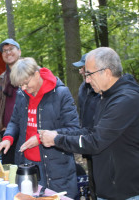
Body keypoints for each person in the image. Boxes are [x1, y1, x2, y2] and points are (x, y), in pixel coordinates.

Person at [40, 47, 139, 200]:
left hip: (125, 192)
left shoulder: (125, 100)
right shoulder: (105, 96)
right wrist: (58, 134)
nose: (86, 80)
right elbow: (90, 131)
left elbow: (95, 141)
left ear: (106, 72)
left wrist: (56, 140)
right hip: (108, 189)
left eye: (89, 74)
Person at [0, 57, 80, 199]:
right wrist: (8, 138)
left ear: (36, 74)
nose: (23, 88)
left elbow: (74, 130)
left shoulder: (60, 94)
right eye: (20, 85)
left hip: (55, 166)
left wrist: (41, 137)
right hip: (27, 165)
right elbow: (14, 121)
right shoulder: (22, 94)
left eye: (26, 83)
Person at [73, 53, 100, 200]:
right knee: (92, 179)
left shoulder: (101, 90)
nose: (80, 71)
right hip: (87, 141)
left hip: (100, 141)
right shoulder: (83, 88)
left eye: (82, 68)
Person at [0, 38, 21, 164]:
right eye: (4, 51)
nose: (8, 52)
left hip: (28, 130)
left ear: (19, 52)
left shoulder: (32, 72)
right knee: (9, 167)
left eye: (11, 49)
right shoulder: (2, 78)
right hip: (8, 131)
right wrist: (1, 125)